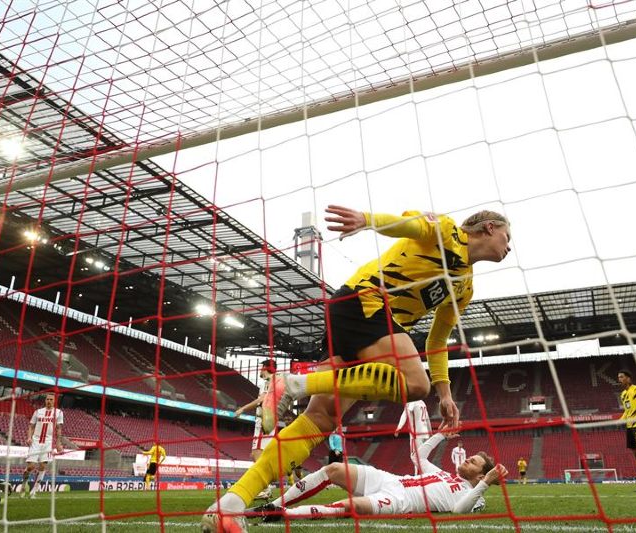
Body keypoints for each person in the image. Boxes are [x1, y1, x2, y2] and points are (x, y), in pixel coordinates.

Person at [202, 207, 512, 532]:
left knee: (320, 420)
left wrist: (446, 393)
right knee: (415, 384)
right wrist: (368, 221)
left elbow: (438, 339)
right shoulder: (447, 232)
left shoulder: (465, 287)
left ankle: (228, 506)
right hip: (366, 300)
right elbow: (411, 224)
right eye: (507, 237)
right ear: (489, 228)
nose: (509, 246)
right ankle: (292, 384)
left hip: (363, 322)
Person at [252, 430, 506, 521]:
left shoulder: (473, 495)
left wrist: (484, 483)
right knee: (333, 469)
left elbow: (458, 512)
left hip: (400, 501)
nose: (468, 459)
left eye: (473, 462)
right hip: (389, 479)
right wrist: (441, 435)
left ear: (481, 474)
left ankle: (283, 516)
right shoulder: (444, 474)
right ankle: (273, 505)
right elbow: (418, 457)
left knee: (349, 506)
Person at [234, 361, 281, 463]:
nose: (260, 369)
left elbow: (262, 399)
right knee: (262, 455)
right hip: (271, 420)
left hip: (264, 420)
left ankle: (262, 478)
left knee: (257, 455)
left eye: (261, 367)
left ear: (265, 368)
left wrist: (243, 408)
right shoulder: (278, 380)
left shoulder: (269, 380)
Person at [21, 393, 64, 498]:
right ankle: (23, 485)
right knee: (31, 467)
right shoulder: (38, 412)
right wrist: (29, 437)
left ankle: (33, 491)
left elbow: (58, 429)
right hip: (36, 441)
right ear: (45, 401)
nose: (49, 401)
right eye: (47, 399)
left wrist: (58, 443)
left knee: (43, 466)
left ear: (54, 401)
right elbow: (31, 426)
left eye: (51, 399)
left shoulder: (58, 413)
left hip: (47, 443)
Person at [394, 400, 431, 474]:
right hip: (425, 433)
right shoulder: (423, 402)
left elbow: (405, 414)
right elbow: (427, 419)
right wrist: (430, 431)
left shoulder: (412, 402)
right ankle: (424, 475)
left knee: (415, 456)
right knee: (422, 456)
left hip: (416, 434)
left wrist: (399, 428)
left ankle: (418, 477)